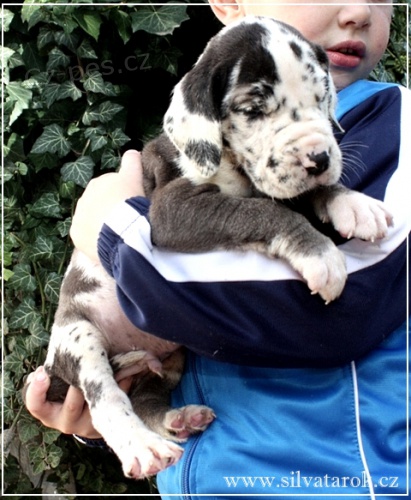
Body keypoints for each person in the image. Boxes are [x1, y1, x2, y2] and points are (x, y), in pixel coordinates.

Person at [25, 0, 410, 497]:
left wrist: (109, 223)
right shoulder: (206, 125)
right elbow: (181, 229)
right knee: (94, 355)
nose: (359, 9)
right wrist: (99, 423)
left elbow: (343, 306)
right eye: (257, 110)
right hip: (197, 474)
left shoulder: (393, 121)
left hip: (337, 478)